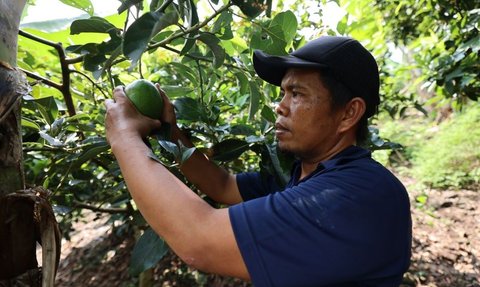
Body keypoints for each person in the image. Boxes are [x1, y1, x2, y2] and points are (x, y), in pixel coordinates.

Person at [104, 35, 412, 286]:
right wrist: (171, 133)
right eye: (283, 93)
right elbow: (222, 185)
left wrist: (123, 137)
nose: (280, 106)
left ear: (348, 114)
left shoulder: (358, 194)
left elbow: (200, 240)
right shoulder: (303, 175)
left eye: (297, 94)